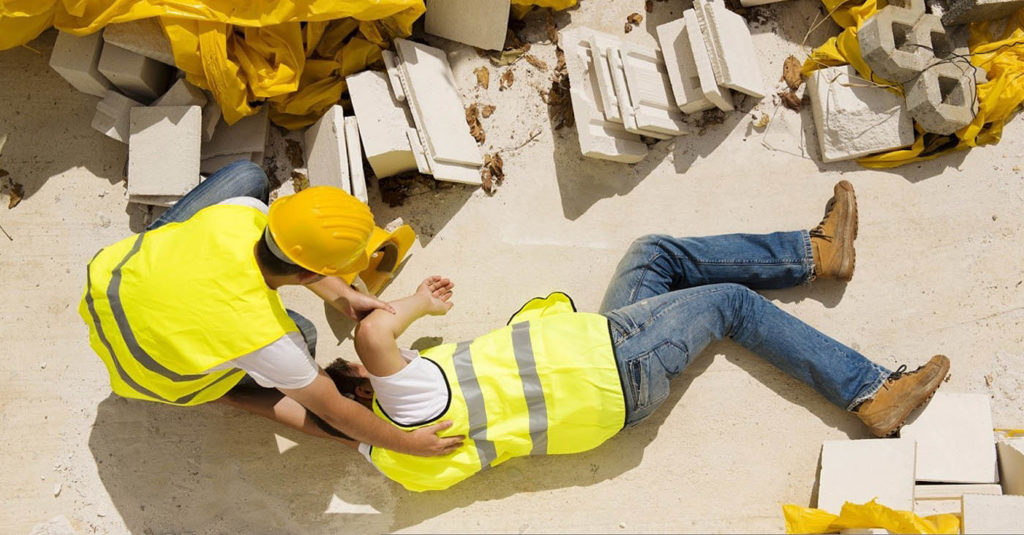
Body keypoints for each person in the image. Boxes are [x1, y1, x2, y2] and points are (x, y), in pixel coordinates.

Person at [319, 180, 950, 491]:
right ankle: (871, 392)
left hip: (605, 370)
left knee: (653, 255)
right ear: (365, 392)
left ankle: (817, 254)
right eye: (354, 372)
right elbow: (376, 333)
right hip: (614, 364)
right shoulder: (410, 403)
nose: (368, 363)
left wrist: (311, 401)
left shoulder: (394, 460)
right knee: (730, 303)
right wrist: (415, 305)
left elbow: (305, 409)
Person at [79, 160, 463, 457]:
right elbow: (334, 413)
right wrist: (407, 444)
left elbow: (293, 256)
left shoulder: (242, 213)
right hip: (150, 374)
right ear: (311, 274)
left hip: (109, 286)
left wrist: (343, 295)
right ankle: (218, 391)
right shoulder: (271, 340)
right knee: (306, 337)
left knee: (247, 176)